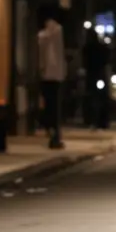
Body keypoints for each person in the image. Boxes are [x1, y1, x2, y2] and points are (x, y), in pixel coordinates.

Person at [36, 9, 67, 149]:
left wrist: (40, 69)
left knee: (48, 105)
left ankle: (51, 132)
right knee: (55, 107)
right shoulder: (58, 32)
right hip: (57, 75)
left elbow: (42, 56)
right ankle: (55, 135)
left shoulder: (42, 36)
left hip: (46, 75)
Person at [82, 25, 111, 130]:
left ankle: (98, 120)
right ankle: (96, 120)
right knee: (94, 98)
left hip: (96, 75)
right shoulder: (91, 48)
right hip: (95, 75)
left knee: (96, 97)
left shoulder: (93, 48)